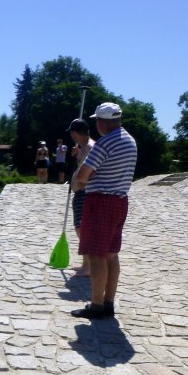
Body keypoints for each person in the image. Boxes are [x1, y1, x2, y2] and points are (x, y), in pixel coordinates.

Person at [70, 102, 137, 319]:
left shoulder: (104, 143)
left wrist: (85, 172)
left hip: (100, 202)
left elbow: (82, 177)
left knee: (97, 255)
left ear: (101, 122)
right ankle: (108, 302)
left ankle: (96, 305)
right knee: (111, 254)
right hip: (120, 201)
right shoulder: (129, 140)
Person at [68, 118, 95, 276]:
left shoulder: (90, 147)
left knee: (82, 228)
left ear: (75, 133)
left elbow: (93, 169)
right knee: (80, 228)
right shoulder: (83, 147)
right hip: (80, 192)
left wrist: (84, 184)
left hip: (85, 192)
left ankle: (88, 267)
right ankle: (85, 264)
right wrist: (77, 155)